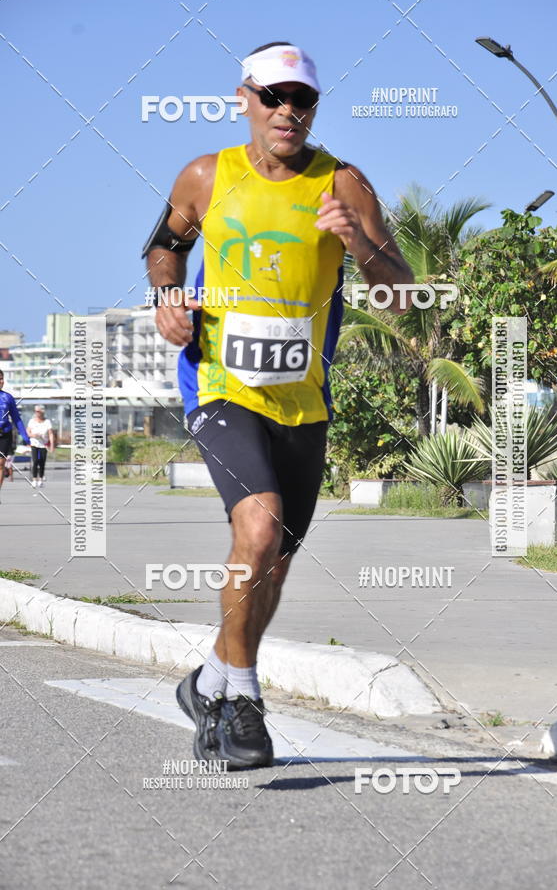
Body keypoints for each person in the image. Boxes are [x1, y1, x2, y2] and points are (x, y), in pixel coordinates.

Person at [144, 42, 414, 768]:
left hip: (304, 402)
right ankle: (243, 700)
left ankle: (209, 680)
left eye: (304, 100)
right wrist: (168, 295)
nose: (289, 111)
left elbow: (400, 294)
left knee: (273, 565)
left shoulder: (344, 183)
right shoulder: (207, 176)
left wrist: (359, 242)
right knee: (258, 530)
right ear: (245, 99)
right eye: (274, 97)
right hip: (221, 385)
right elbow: (164, 246)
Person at [0, 369, 30, 502]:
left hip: (5, 434)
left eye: (1, 378)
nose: (0, 381)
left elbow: (17, 419)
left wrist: (25, 437)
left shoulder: (8, 398)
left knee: (1, 464)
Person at [27, 405, 54, 489]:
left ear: (42, 412)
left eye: (38, 411)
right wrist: (32, 435)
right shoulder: (32, 421)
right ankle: (34, 479)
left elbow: (50, 434)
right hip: (34, 443)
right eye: (35, 411)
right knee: (35, 461)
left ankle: (41, 480)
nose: (37, 413)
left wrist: (52, 445)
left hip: (44, 445)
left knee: (42, 462)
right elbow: (28, 431)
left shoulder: (47, 422)